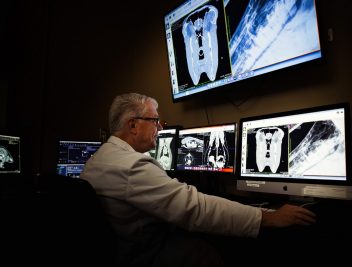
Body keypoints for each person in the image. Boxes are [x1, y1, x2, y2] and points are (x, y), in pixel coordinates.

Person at [81, 92, 316, 267]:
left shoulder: (99, 159)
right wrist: (268, 218)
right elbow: (195, 208)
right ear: (133, 125)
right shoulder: (132, 166)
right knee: (210, 252)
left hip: (122, 249)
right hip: (142, 255)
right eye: (155, 121)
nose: (160, 128)